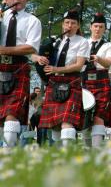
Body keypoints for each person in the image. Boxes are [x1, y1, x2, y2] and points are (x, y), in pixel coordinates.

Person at [36, 9, 90, 146]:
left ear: (78, 26)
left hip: (71, 82)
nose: (69, 26)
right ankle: (59, 155)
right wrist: (40, 57)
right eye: (67, 23)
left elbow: (79, 65)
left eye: (73, 23)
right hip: (53, 82)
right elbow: (33, 54)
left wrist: (56, 69)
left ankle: (68, 155)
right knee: (54, 124)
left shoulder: (82, 42)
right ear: (62, 24)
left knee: (67, 121)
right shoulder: (54, 40)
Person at [0, 0, 42, 148]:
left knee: (12, 115)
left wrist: (3, 50)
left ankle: (8, 155)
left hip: (18, 69)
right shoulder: (1, 16)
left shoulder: (32, 21)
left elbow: (31, 47)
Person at [81, 13, 111, 148]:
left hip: (101, 81)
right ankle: (87, 148)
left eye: (101, 27)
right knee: (84, 117)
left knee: (99, 116)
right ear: (90, 27)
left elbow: (107, 64)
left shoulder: (109, 45)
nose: (97, 29)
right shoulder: (83, 43)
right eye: (95, 26)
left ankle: (96, 150)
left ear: (105, 29)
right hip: (84, 81)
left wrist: (98, 59)